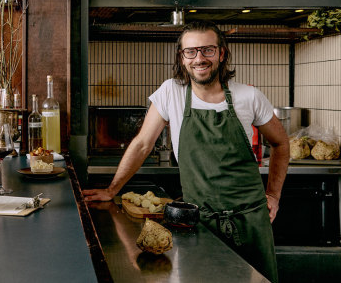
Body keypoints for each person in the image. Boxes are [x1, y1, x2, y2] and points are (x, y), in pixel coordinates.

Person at [83, 21, 289, 282]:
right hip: (198, 222)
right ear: (181, 58)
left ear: (221, 53)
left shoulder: (249, 96)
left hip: (251, 223)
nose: (199, 59)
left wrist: (272, 193)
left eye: (207, 50)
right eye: (190, 52)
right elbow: (142, 144)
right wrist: (112, 190)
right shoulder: (171, 92)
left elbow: (281, 143)